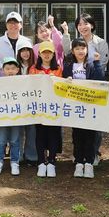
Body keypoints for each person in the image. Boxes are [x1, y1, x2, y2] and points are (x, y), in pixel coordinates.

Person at [62, 38, 104, 179]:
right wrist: (66, 80)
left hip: (90, 106)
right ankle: (79, 162)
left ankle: (89, 163)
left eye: (83, 48)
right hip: (75, 106)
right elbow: (63, 81)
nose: (80, 51)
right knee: (77, 135)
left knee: (90, 135)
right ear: (73, 51)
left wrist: (97, 63)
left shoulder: (91, 64)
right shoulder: (69, 65)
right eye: (77, 48)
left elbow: (99, 80)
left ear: (87, 49)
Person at [75, 13, 109, 166]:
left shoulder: (100, 42)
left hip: (95, 85)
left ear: (92, 25)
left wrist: (90, 73)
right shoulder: (77, 42)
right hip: (78, 87)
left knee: (95, 120)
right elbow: (70, 57)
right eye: (79, 24)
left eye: (85, 23)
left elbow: (103, 63)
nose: (83, 27)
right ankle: (80, 153)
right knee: (79, 120)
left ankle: (94, 152)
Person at [29, 41, 63, 178]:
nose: (47, 55)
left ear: (53, 54)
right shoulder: (33, 69)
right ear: (39, 54)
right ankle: (41, 162)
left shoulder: (58, 68)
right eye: (44, 52)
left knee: (53, 134)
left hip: (54, 107)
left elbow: (62, 87)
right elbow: (30, 85)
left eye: (49, 52)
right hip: (39, 107)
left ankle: (52, 161)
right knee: (40, 134)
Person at [0, 57, 22, 176]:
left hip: (17, 117)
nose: (10, 71)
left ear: (17, 70)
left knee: (15, 140)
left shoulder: (23, 82)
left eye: (13, 68)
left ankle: (14, 162)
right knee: (1, 140)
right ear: (3, 70)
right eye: (8, 68)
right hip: (2, 117)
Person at [16, 38, 38, 167]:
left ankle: (31, 156)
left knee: (32, 130)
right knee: (18, 131)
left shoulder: (36, 66)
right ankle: (17, 155)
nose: (25, 53)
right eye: (22, 50)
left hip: (32, 104)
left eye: (27, 50)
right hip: (18, 104)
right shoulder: (14, 66)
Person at [0, 11, 30, 76]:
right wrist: (5, 68)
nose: (13, 25)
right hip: (4, 79)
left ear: (21, 24)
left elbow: (31, 59)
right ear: (6, 25)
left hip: (23, 78)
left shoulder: (27, 41)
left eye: (16, 22)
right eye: (10, 22)